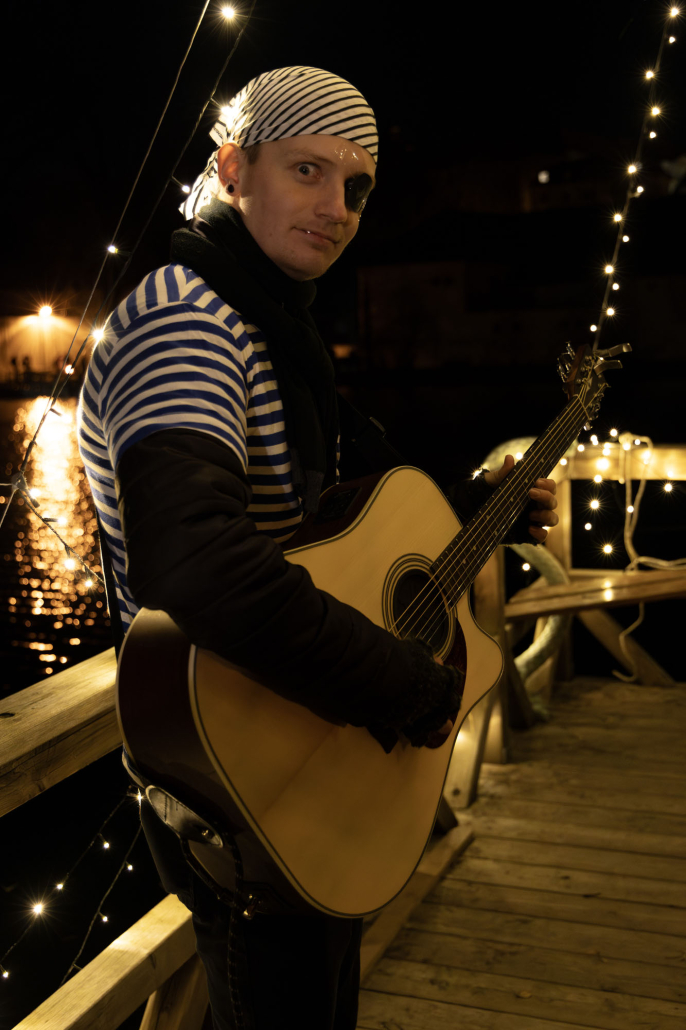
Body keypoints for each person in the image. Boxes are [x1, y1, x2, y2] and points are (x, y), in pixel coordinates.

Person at [76, 65, 558, 1030]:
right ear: (232, 169)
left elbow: (323, 523)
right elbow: (198, 562)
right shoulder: (188, 321)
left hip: (299, 735)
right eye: (307, 170)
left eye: (357, 186)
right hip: (239, 764)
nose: (337, 209)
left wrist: (479, 511)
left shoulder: (268, 323)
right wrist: (403, 685)